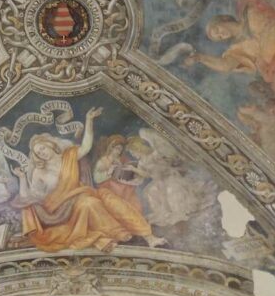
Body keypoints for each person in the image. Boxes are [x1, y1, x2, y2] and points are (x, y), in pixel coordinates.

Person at [10, 108, 166, 252]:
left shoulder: (69, 156)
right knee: (90, 203)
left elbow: (86, 145)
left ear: (50, 145)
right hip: (59, 209)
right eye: (38, 153)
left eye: (42, 148)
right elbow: (29, 197)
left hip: (81, 193)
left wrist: (89, 120)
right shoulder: (39, 172)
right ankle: (118, 233)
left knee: (108, 196)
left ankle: (148, 236)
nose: (41, 153)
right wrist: (22, 178)